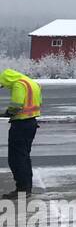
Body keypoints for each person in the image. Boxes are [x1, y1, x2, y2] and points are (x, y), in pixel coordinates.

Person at [2, 68, 42, 198]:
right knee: (24, 157)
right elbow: (38, 102)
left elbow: (16, 106)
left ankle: (22, 190)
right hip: (31, 123)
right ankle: (26, 188)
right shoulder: (31, 83)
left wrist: (6, 113)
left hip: (20, 125)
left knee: (16, 159)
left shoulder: (18, 85)